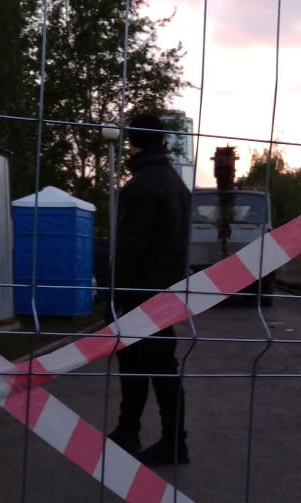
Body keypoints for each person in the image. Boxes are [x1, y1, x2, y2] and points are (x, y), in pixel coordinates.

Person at [107, 113, 192, 466]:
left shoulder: (141, 186)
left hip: (140, 292)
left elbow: (130, 248)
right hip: (168, 291)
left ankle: (170, 441)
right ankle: (132, 430)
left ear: (133, 141)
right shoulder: (177, 185)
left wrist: (114, 297)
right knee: (154, 363)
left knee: (142, 365)